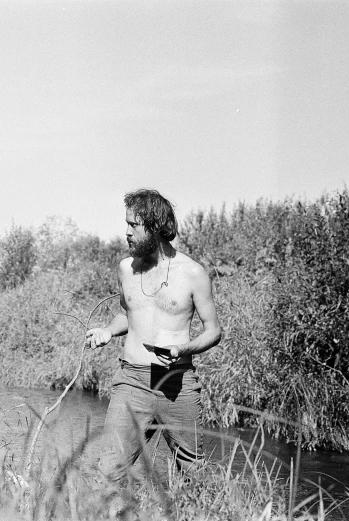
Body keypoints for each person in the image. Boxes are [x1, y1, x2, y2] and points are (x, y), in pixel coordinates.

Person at [85, 189, 223, 482]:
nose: (127, 233)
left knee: (194, 473)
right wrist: (108, 331)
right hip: (131, 381)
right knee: (107, 472)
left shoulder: (193, 273)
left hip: (175, 382)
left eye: (133, 225)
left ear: (154, 226)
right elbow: (127, 312)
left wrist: (184, 348)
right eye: (127, 225)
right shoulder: (126, 269)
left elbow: (214, 330)